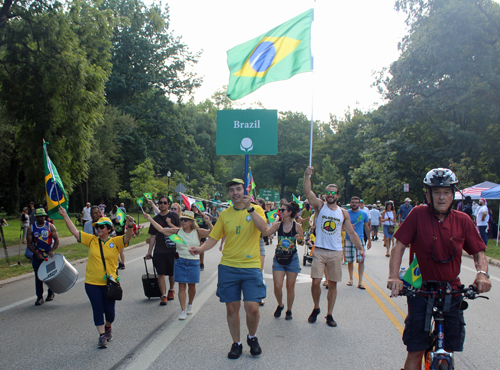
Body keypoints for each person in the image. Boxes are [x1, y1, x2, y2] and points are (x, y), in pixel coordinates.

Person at [387, 168, 491, 370]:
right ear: (428, 195)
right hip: (419, 288)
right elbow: (398, 246)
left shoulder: (463, 220)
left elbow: (479, 253)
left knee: (449, 349)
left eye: (446, 192)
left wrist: (482, 275)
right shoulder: (417, 214)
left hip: (452, 289)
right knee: (416, 349)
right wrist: (394, 277)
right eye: (436, 192)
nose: (441, 197)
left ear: (453, 195)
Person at [189, 178, 268, 360]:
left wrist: (250, 208)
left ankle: (252, 337)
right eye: (232, 190)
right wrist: (200, 249)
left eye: (238, 189)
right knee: (231, 308)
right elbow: (214, 238)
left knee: (253, 308)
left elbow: (263, 229)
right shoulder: (225, 215)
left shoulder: (257, 210)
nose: (235, 193)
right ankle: (236, 343)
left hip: (251, 267)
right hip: (229, 267)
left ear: (244, 191)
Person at [58, 206, 134, 349]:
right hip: (92, 283)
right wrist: (65, 216)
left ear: (109, 229)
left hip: (110, 283)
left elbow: (128, 237)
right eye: (97, 227)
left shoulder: (115, 242)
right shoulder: (91, 240)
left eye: (102, 227)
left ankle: (108, 327)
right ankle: (101, 336)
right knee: (97, 309)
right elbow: (74, 231)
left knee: (110, 312)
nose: (99, 229)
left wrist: (130, 225)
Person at [303, 166, 364, 327]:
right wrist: (306, 175)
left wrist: (361, 248)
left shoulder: (343, 213)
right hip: (320, 250)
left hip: (336, 252)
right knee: (316, 281)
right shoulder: (319, 206)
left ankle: (329, 314)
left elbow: (351, 233)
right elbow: (308, 192)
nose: (330, 195)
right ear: (325, 195)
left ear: (337, 195)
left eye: (333, 193)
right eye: (328, 193)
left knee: (333, 284)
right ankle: (316, 307)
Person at [145, 210, 213, 319]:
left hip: (193, 262)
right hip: (180, 262)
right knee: (181, 286)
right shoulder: (177, 231)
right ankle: (183, 310)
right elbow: (161, 229)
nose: (183, 221)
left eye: (186, 220)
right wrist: (149, 218)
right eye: (182, 220)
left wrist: (209, 223)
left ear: (191, 222)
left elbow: (213, 233)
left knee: (192, 286)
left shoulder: (198, 232)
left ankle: (190, 304)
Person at [262, 201, 303, 320]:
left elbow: (302, 242)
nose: (280, 211)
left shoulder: (297, 226)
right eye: (281, 210)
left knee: (290, 287)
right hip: (279, 258)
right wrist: (269, 223)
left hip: (292, 258)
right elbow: (265, 233)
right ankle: (280, 304)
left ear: (290, 213)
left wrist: (299, 239)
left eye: (283, 210)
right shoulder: (278, 225)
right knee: (277, 285)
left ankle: (289, 310)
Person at [146, 195, 178, 305]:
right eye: (161, 203)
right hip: (159, 250)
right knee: (161, 273)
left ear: (168, 204)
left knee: (172, 273)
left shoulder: (174, 216)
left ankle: (171, 290)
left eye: (165, 203)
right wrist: (149, 251)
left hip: (172, 249)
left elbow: (180, 231)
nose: (162, 204)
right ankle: (163, 295)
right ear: (158, 204)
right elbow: (153, 236)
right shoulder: (155, 219)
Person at [26, 208, 60, 305]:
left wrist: (52, 250)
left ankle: (50, 292)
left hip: (48, 254)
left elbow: (57, 240)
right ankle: (39, 297)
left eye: (43, 216)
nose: (42, 217)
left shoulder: (50, 226)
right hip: (37, 255)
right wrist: (36, 253)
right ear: (36, 217)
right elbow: (29, 243)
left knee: (50, 275)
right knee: (38, 277)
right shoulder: (31, 228)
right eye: (40, 216)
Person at [344, 197, 371, 289]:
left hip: (360, 239)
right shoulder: (346, 213)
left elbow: (367, 228)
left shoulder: (363, 214)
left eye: (356, 202)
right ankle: (351, 279)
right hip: (348, 239)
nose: (354, 204)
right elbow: (342, 225)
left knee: (361, 260)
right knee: (350, 260)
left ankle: (360, 281)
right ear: (350, 204)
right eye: (353, 202)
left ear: (359, 204)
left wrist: (369, 240)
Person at [191, 204, 209, 271]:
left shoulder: (204, 215)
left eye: (195, 206)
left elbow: (206, 226)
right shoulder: (193, 215)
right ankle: (195, 262)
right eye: (192, 206)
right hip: (194, 233)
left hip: (202, 233)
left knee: (201, 247)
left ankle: (201, 263)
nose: (194, 208)